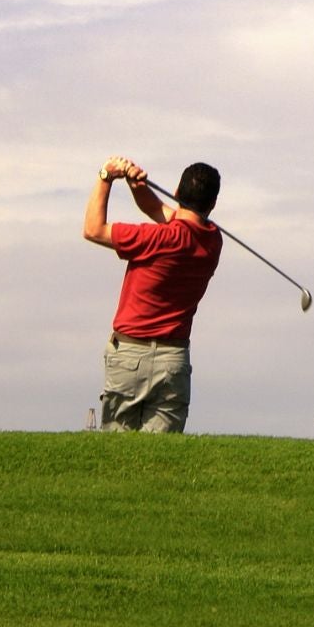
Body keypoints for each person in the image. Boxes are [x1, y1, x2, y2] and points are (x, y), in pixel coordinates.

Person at [84, 156, 225, 433]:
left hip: (129, 355)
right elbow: (159, 210)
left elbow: (93, 229)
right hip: (174, 360)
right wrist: (137, 187)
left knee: (118, 455)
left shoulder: (157, 239)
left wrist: (106, 177)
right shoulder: (213, 240)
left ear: (175, 192)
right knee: (161, 460)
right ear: (212, 204)